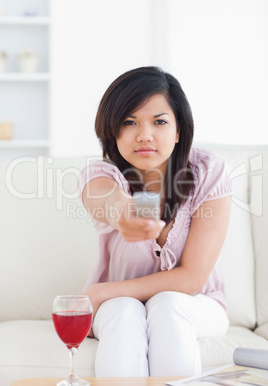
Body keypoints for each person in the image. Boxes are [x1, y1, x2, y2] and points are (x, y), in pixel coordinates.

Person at [78, 66, 231, 377]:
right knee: (124, 310)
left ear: (178, 131)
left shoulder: (209, 172)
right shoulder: (101, 175)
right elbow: (108, 200)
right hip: (116, 307)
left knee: (168, 303)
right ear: (112, 131)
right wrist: (125, 213)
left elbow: (191, 280)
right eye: (129, 122)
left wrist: (104, 291)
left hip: (197, 304)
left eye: (159, 121)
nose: (144, 134)